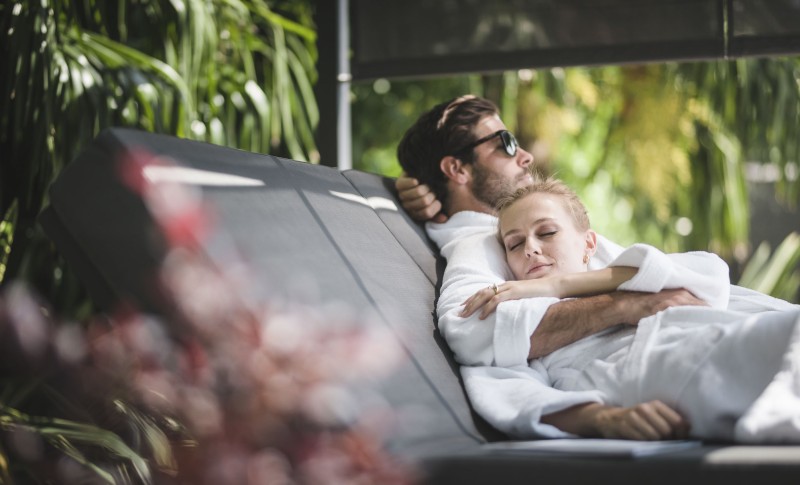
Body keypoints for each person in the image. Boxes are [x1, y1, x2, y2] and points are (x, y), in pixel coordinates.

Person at [396, 94, 799, 440]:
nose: (525, 154)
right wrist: (625, 305)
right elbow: (474, 330)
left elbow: (700, 272)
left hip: (700, 334)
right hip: (663, 356)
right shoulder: (477, 243)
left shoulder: (507, 229)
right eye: (505, 141)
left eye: (546, 233)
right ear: (457, 169)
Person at [460, 176, 800, 441]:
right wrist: (603, 418)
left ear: (588, 244)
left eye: (546, 232)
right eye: (515, 244)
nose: (531, 249)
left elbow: (708, 270)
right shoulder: (530, 330)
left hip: (729, 332)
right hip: (676, 366)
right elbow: (505, 389)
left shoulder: (637, 281)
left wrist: (558, 284)